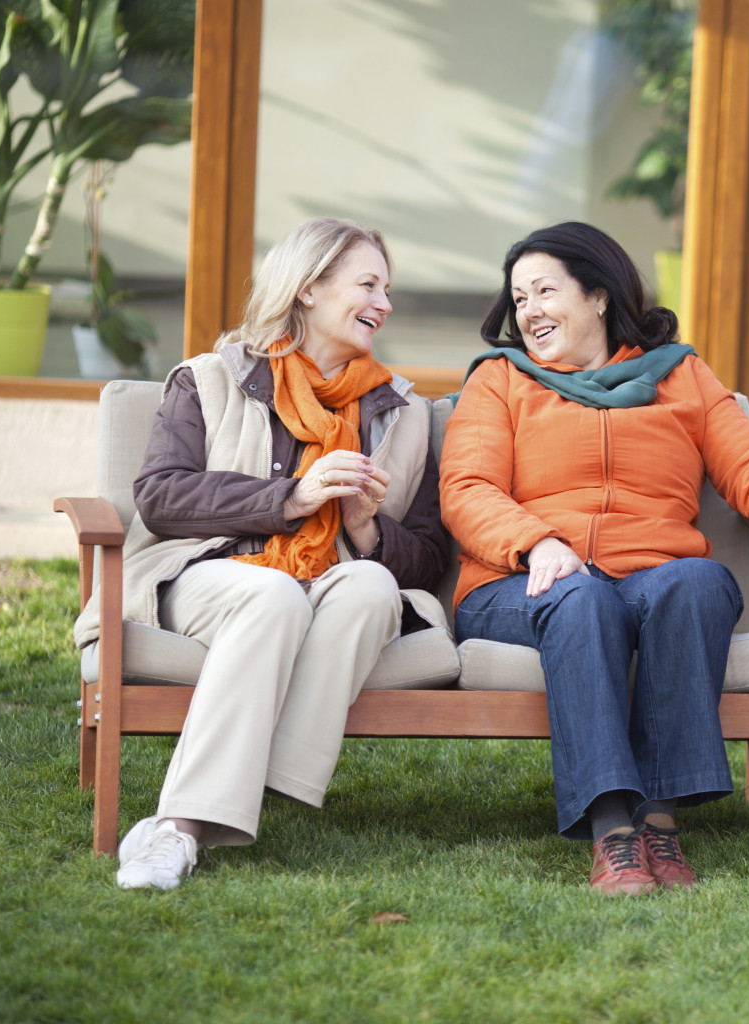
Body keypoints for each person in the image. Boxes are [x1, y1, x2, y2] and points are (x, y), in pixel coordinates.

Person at [440, 222, 749, 895]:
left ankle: (658, 825)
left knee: (697, 581)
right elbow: (468, 488)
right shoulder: (500, 382)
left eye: (545, 291)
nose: (529, 312)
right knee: (581, 598)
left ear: (600, 296)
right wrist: (537, 541)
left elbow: (747, 457)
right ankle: (612, 833)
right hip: (525, 585)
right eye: (519, 299)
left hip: (647, 580)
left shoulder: (680, 376)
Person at [74, 218, 449, 890]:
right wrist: (292, 499)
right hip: (205, 574)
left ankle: (255, 780)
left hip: (330, 585)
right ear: (307, 288)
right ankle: (181, 828)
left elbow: (426, 561)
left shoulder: (407, 415)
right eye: (368, 284)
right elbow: (160, 497)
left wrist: (364, 528)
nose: (384, 303)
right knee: (274, 593)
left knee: (368, 585)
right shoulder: (209, 379)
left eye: (387, 288)